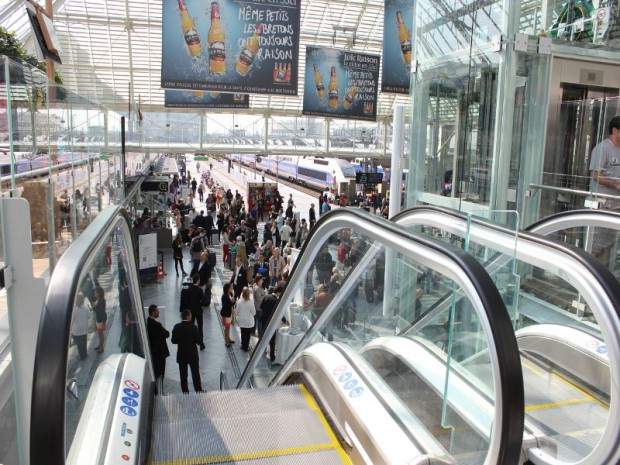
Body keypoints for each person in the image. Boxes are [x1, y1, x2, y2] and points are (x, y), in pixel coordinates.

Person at [589, 116, 620, 262]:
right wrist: (615, 184)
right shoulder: (602, 148)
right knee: (595, 245)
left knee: (611, 244)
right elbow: (595, 175)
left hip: (617, 205)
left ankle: (604, 275)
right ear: (615, 130)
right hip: (602, 204)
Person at [171, 310, 203, 393]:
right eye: (191, 316)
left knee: (183, 375)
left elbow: (173, 341)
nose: (191, 317)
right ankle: (198, 390)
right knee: (195, 373)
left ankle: (185, 391)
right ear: (188, 317)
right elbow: (199, 341)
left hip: (182, 355)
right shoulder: (193, 327)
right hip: (192, 355)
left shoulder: (176, 327)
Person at [147, 304, 170, 394]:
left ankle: (156, 390)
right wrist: (164, 329)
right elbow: (167, 334)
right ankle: (159, 391)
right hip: (160, 353)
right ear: (153, 312)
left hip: (154, 352)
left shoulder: (148, 322)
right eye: (157, 311)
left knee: (156, 371)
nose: (158, 312)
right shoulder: (157, 325)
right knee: (160, 372)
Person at [179, 274, 206, 350]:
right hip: (198, 311)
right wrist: (200, 304)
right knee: (200, 327)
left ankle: (191, 343)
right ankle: (201, 344)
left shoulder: (189, 289)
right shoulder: (200, 290)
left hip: (191, 311)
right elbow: (203, 301)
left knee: (191, 327)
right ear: (197, 280)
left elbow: (186, 301)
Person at [260, 285, 283, 362]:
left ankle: (262, 352)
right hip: (271, 323)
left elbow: (261, 307)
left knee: (264, 337)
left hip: (264, 321)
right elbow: (278, 313)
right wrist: (285, 320)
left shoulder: (266, 296)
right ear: (278, 292)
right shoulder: (275, 301)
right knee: (272, 340)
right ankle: (272, 356)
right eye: (281, 293)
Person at [71, 292, 90, 361]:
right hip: (84, 328)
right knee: (84, 342)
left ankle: (82, 356)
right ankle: (85, 354)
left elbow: (72, 319)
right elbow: (89, 316)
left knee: (79, 344)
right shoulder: (85, 307)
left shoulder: (74, 309)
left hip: (76, 329)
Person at [236, 287, 256, 352]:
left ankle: (243, 345)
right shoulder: (251, 302)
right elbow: (254, 313)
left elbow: (236, 312)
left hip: (241, 320)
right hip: (248, 322)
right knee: (247, 335)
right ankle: (246, 347)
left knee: (242, 333)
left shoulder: (239, 302)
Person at [92, 286, 107, 353]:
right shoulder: (99, 300)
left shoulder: (100, 301)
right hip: (99, 319)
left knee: (101, 334)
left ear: (98, 293)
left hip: (101, 319)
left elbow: (96, 308)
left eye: (95, 292)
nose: (94, 293)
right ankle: (100, 345)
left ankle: (101, 347)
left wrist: (93, 306)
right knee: (99, 333)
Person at [221, 282, 236, 347]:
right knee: (227, 328)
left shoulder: (229, 294)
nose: (232, 288)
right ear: (228, 289)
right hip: (226, 314)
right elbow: (227, 306)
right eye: (231, 287)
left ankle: (228, 338)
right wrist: (233, 302)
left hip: (229, 314)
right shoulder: (224, 296)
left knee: (228, 327)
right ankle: (227, 341)